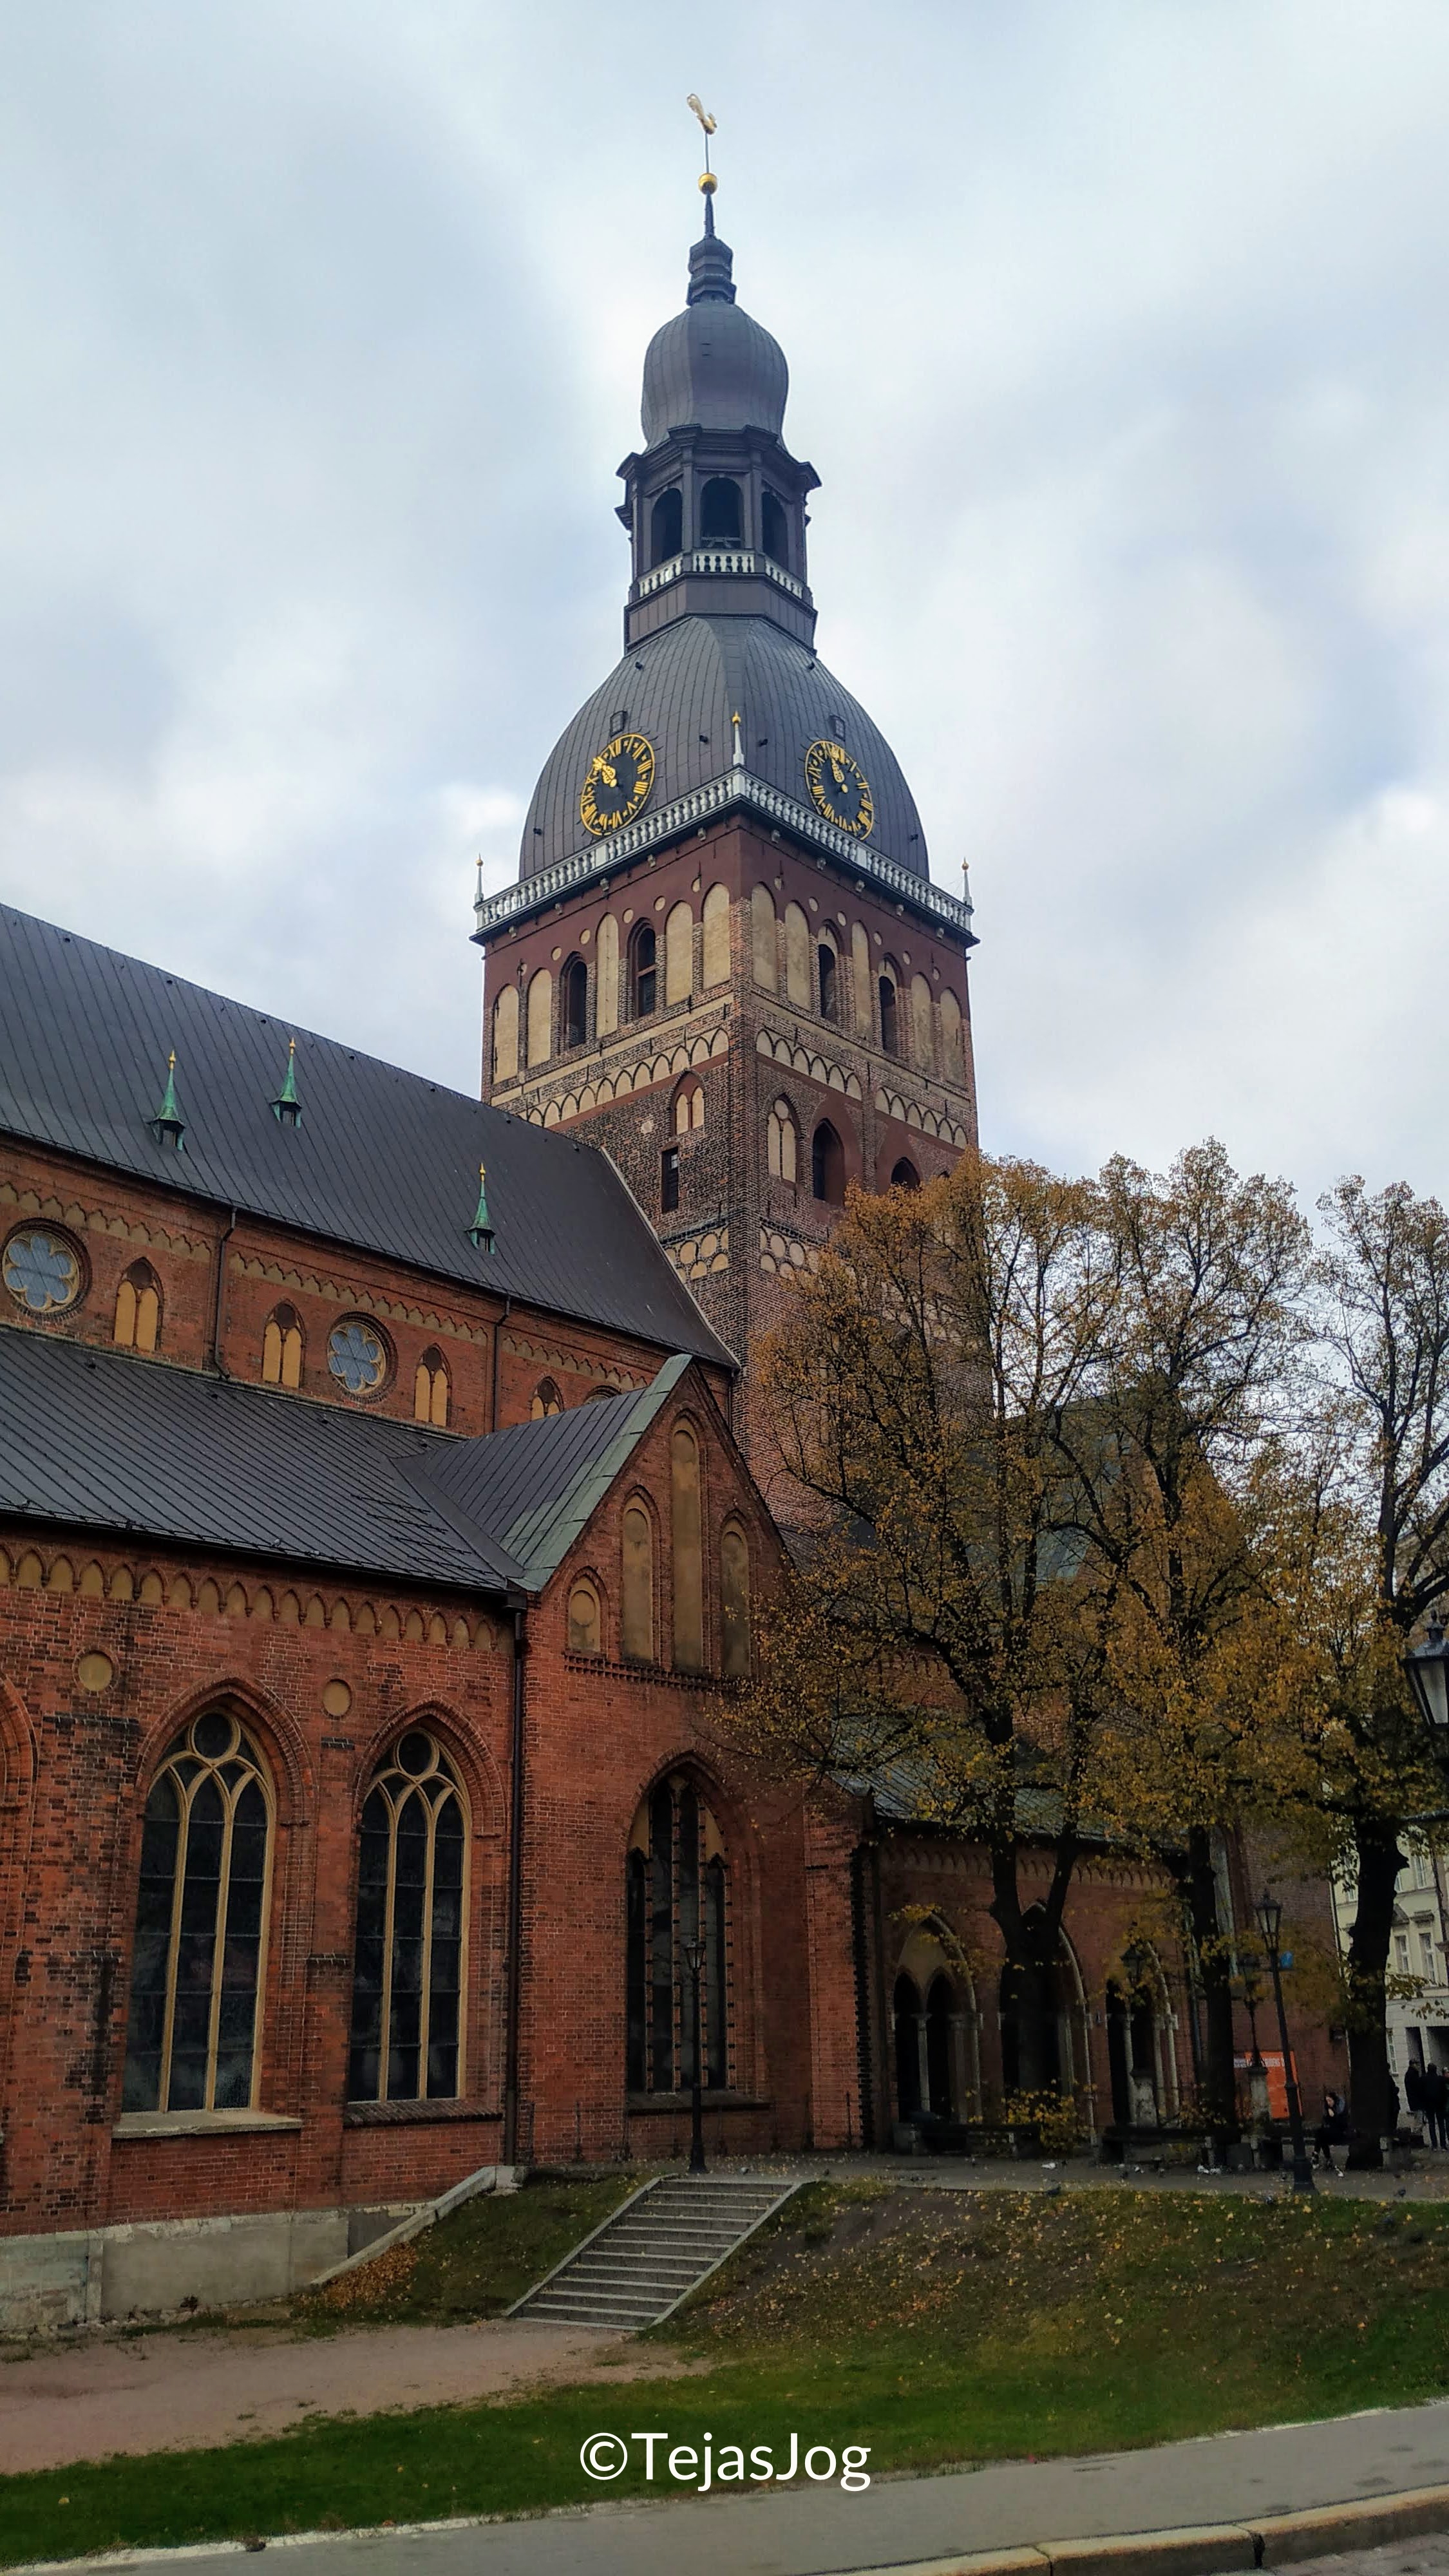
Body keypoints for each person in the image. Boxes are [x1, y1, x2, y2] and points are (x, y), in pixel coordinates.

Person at [1314, 2089, 1349, 2172]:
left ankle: (1316, 2154)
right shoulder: (1328, 2109)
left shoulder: (1340, 2109)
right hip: (1329, 2132)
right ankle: (1326, 2158)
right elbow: (1326, 2123)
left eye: (1330, 2101)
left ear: (1334, 2100)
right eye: (1327, 2101)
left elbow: (1343, 2124)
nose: (1328, 2103)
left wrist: (1334, 2116)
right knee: (1321, 2135)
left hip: (1339, 2133)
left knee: (1320, 2135)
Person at [1423, 2061, 1448, 2150]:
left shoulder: (1424, 2079)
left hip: (1429, 2105)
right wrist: (1444, 2102)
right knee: (1441, 2125)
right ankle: (1443, 2145)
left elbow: (1421, 2092)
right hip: (1440, 2105)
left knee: (1432, 2124)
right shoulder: (1440, 2079)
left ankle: (1434, 2145)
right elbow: (1445, 2091)